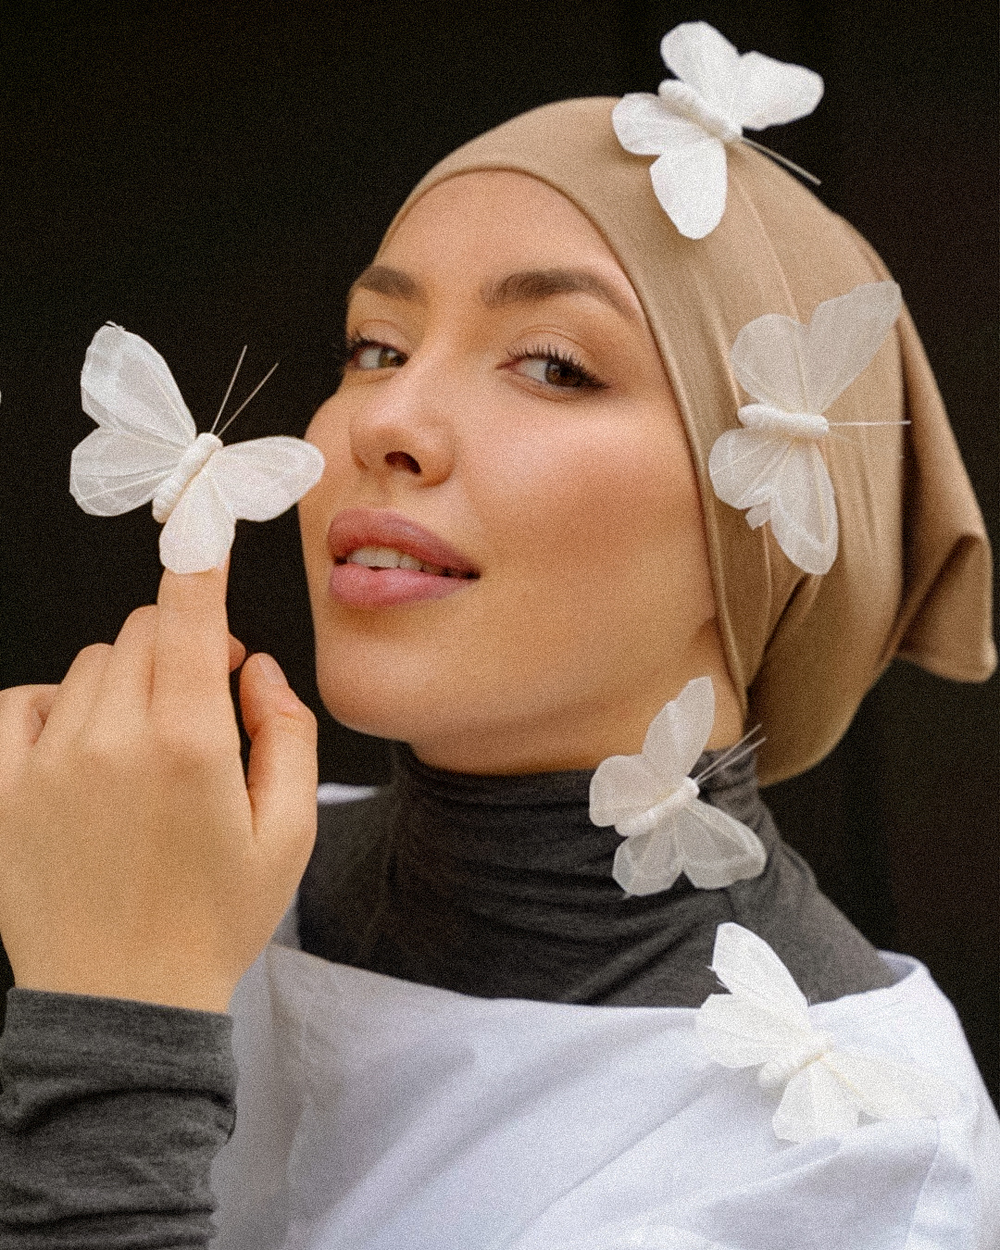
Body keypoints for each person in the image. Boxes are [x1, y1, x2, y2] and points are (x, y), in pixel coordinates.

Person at [1, 74, 997, 1250]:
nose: (385, 420)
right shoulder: (139, 862)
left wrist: (116, 1025)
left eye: (553, 364)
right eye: (375, 344)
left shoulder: (852, 1157)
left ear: (770, 531)